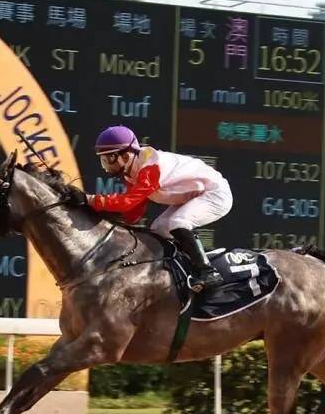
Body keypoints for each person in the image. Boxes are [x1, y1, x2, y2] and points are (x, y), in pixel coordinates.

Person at [83, 125, 233, 292]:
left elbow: (127, 202)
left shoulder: (150, 168)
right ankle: (182, 270)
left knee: (177, 222)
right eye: (102, 159)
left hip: (215, 193)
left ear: (126, 155)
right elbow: (133, 214)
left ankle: (208, 272)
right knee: (158, 229)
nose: (105, 165)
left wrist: (89, 200)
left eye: (108, 158)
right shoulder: (131, 172)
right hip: (194, 196)